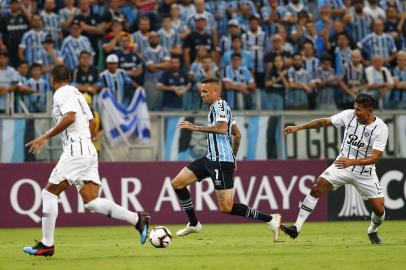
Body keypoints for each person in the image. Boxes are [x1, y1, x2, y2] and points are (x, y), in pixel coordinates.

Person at [23, 65, 150, 257]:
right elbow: (90, 121)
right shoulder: (77, 93)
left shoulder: (61, 92)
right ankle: (137, 219)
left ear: (52, 79)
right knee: (92, 202)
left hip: (77, 149)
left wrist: (46, 136)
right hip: (88, 149)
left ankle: (47, 244)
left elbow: (70, 117)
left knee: (49, 193)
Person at [171, 77, 281, 240]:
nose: (202, 94)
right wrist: (234, 158)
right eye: (201, 91)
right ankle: (194, 223)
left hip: (221, 162)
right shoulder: (221, 108)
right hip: (210, 159)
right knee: (177, 183)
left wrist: (195, 128)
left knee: (226, 208)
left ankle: (271, 219)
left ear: (216, 91)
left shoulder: (220, 106)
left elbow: (223, 129)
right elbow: (237, 133)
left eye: (205, 91)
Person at [281, 93, 388, 245]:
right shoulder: (348, 115)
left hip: (365, 172)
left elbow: (376, 157)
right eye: (355, 108)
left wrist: (351, 162)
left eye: (359, 110)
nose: (355, 112)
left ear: (369, 111)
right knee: (316, 189)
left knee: (379, 210)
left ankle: (372, 230)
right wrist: (298, 127)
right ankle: (296, 228)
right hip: (341, 165)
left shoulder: (381, 128)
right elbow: (324, 121)